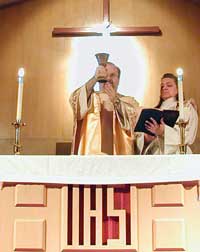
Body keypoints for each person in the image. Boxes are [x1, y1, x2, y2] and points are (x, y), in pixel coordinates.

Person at [69, 62, 139, 155]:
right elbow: (75, 100)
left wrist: (115, 101)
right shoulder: (89, 98)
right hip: (91, 157)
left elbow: (133, 121)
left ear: (118, 79)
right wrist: (94, 78)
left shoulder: (129, 101)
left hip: (119, 157)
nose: (108, 79)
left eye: (112, 75)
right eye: (104, 76)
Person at [135, 73, 198, 154]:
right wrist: (146, 139)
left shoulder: (186, 108)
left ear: (178, 89)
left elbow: (189, 135)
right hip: (155, 156)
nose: (164, 88)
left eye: (169, 85)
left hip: (177, 154)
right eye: (162, 86)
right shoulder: (153, 111)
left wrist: (163, 131)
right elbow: (140, 139)